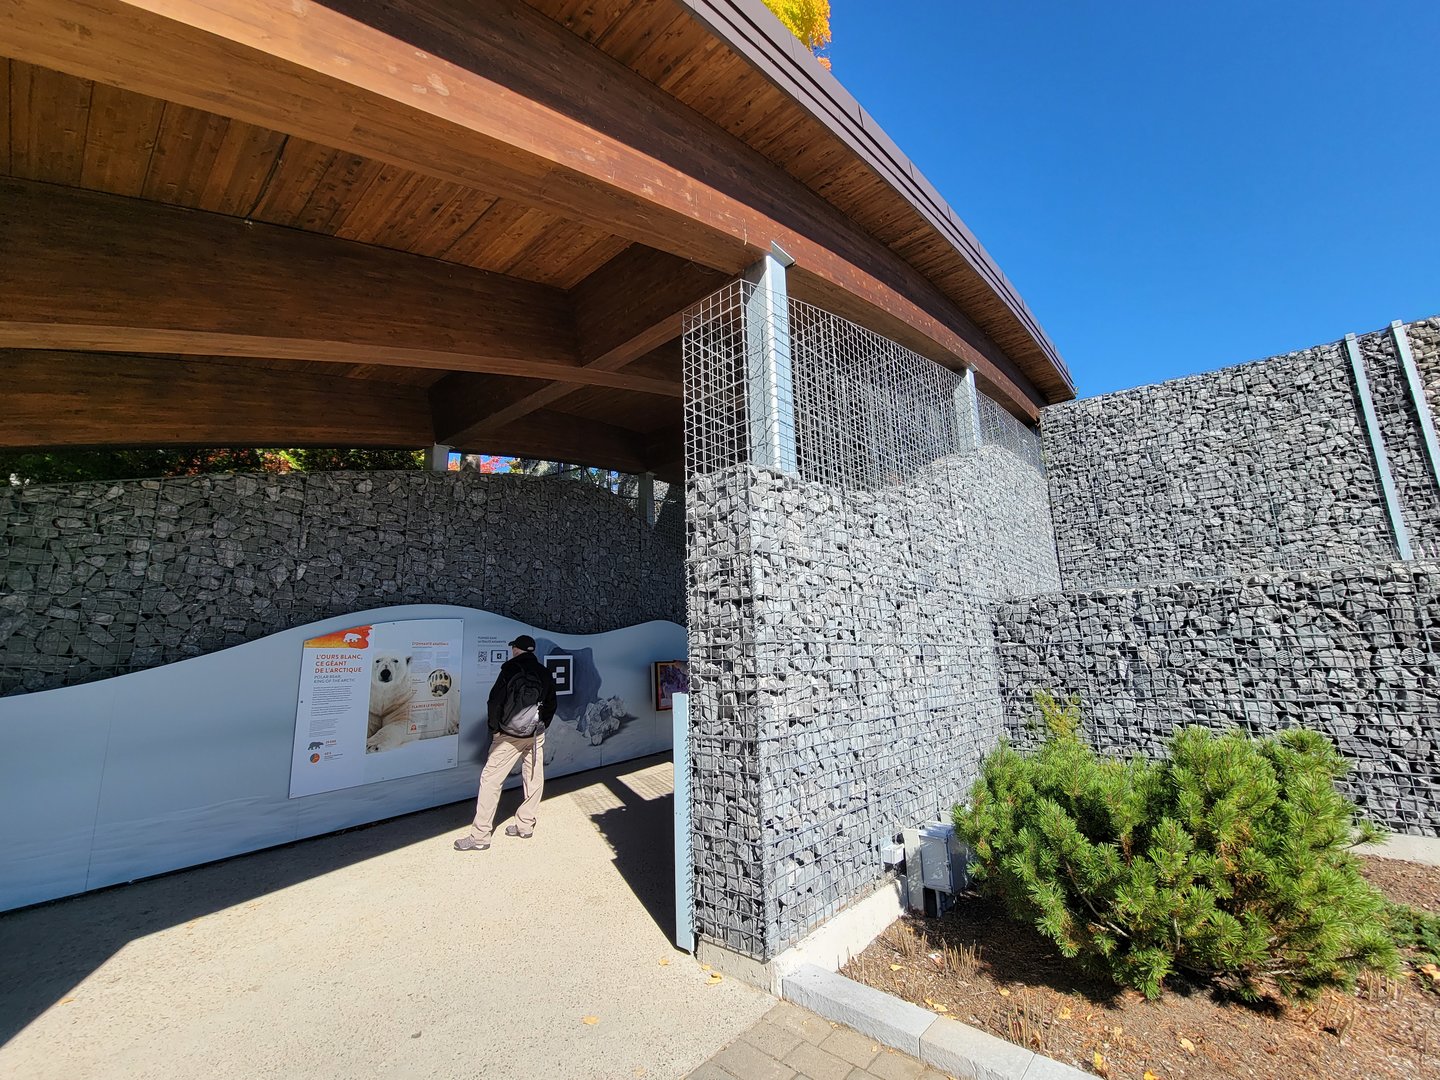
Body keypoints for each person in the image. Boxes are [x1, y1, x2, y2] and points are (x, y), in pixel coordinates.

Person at [454, 634, 557, 852]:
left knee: (491, 780)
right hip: (535, 735)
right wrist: (540, 726)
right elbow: (551, 705)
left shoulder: (509, 670)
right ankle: (525, 824)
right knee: (533, 777)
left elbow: (494, 702)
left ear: (516, 649)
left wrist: (496, 730)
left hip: (508, 736)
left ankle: (480, 836)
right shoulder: (544, 672)